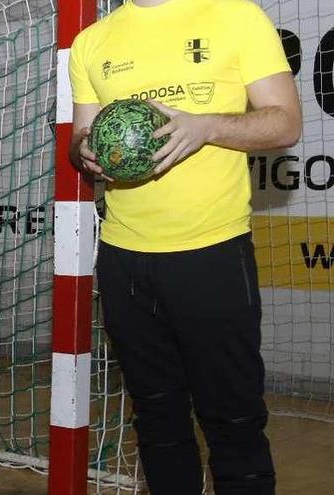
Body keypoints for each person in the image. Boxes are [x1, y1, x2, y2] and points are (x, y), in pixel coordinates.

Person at [68, 0, 301, 494]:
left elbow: (285, 122)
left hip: (212, 253)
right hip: (123, 259)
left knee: (233, 420)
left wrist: (206, 126)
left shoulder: (236, 16)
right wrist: (84, 151)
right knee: (155, 419)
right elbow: (80, 135)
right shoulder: (92, 41)